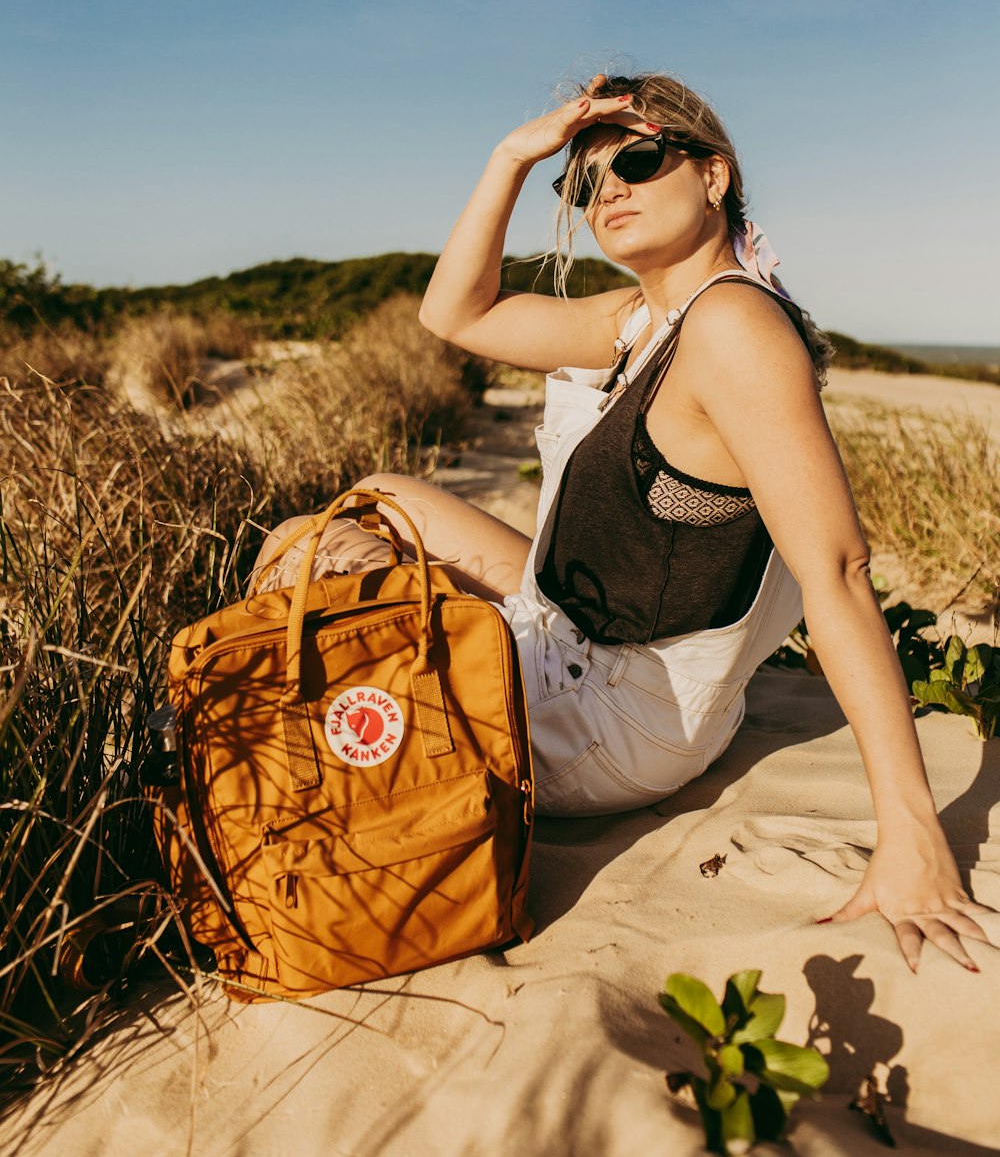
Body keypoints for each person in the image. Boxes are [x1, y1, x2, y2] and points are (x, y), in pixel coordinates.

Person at [259, 68, 994, 973]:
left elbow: (837, 571)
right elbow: (455, 311)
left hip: (611, 721)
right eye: (585, 182)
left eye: (638, 162)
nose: (608, 190)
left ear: (713, 175)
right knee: (380, 497)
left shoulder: (732, 328)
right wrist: (513, 157)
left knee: (302, 554)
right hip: (580, 639)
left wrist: (912, 835)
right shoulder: (641, 317)